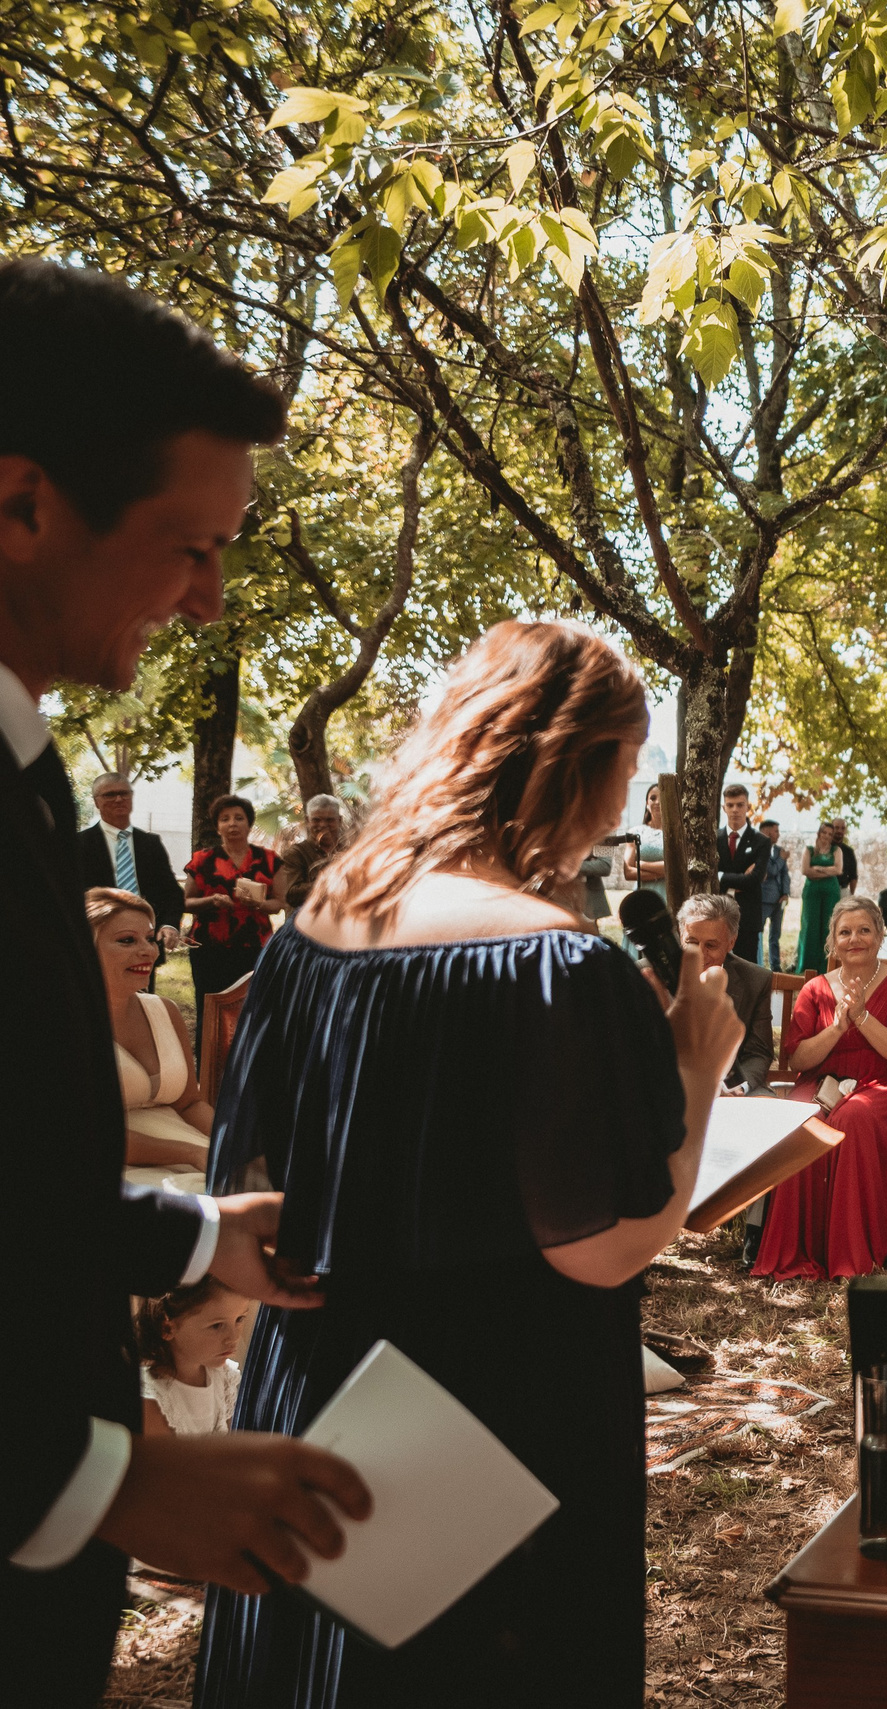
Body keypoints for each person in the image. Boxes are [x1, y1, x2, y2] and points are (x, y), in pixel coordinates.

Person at [196, 621, 739, 1706]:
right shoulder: (556, 961)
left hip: (325, 1390)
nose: (624, 806)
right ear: (571, 762)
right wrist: (697, 1069)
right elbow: (601, 1245)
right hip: (498, 1423)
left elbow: (247, 1162)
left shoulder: (313, 929)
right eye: (626, 768)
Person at [0, 260, 373, 1700]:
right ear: (25, 504)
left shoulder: (28, 769)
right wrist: (109, 1487)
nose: (212, 602)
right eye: (188, 546)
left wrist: (192, 1235)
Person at [754, 896, 887, 1279]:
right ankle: (797, 1251)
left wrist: (862, 1017)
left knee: (853, 1116)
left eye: (864, 930)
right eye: (845, 932)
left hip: (885, 1086)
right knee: (802, 1119)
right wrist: (837, 1028)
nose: (855, 939)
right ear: (832, 941)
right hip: (822, 1083)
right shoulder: (816, 989)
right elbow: (799, 1060)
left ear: (881, 934)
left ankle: (848, 1255)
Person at [93, 888, 215, 1186]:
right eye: (126, 940)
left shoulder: (165, 1011)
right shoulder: (66, 1024)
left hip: (194, 1152)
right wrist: (191, 1153)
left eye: (150, 938)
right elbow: (86, 1132)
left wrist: (236, 1144)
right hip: (112, 1167)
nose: (149, 951)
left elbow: (190, 1104)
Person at [183, 792, 282, 1006]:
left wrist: (259, 904)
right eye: (224, 819)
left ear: (249, 824)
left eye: (239, 818)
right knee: (209, 1008)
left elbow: (278, 905)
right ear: (217, 826)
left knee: (253, 1007)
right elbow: (185, 902)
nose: (232, 824)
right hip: (209, 947)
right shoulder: (202, 860)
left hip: (255, 945)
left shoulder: (269, 860)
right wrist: (211, 901)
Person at [77, 771, 184, 968]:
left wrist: (169, 925)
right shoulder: (79, 844)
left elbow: (172, 892)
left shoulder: (150, 843)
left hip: (145, 940)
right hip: (98, 941)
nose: (118, 799)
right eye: (109, 795)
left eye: (124, 793)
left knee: (142, 998)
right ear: (96, 802)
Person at [677, 894, 776, 1094]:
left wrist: (738, 1088)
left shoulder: (755, 980)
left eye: (711, 945)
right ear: (680, 935)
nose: (699, 954)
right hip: (668, 1087)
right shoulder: (650, 975)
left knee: (766, 1105)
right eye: (692, 942)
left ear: (731, 943)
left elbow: (758, 1053)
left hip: (730, 1086)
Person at [137, 1279, 252, 1437]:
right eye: (217, 1325)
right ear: (168, 1328)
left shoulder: (224, 1378)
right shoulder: (152, 1398)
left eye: (239, 1319)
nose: (233, 1337)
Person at [273, 793, 346, 910]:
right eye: (316, 820)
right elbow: (291, 895)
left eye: (329, 820)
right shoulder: (295, 854)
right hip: (305, 923)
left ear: (340, 820)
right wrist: (331, 882)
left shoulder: (350, 850)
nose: (322, 825)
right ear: (308, 820)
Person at [711, 781, 773, 922]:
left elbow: (755, 879)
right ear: (723, 808)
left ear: (748, 807)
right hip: (717, 915)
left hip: (748, 916)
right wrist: (741, 879)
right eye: (730, 805)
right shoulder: (712, 839)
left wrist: (720, 876)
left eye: (740, 805)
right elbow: (707, 876)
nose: (735, 810)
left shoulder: (761, 841)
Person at [796, 818, 849, 973]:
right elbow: (805, 870)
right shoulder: (809, 850)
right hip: (812, 893)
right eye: (824, 832)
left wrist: (818, 868)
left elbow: (838, 870)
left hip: (830, 893)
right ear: (819, 833)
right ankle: (807, 965)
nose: (826, 836)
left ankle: (827, 965)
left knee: (828, 926)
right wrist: (827, 870)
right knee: (809, 926)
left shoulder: (836, 851)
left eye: (830, 833)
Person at [621, 780, 668, 903]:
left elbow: (676, 867)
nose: (657, 802)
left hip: (670, 895)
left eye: (662, 797)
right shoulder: (635, 832)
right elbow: (628, 872)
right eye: (653, 798)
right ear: (647, 803)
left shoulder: (677, 834)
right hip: (643, 895)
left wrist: (641, 864)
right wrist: (663, 873)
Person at [755, 817, 790, 967]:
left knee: (775, 935)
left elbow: (784, 874)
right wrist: (781, 860)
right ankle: (757, 964)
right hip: (764, 899)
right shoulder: (758, 849)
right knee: (758, 933)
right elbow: (771, 870)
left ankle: (775, 965)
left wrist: (786, 893)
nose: (778, 834)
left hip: (779, 900)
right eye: (776, 831)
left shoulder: (778, 851)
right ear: (766, 832)